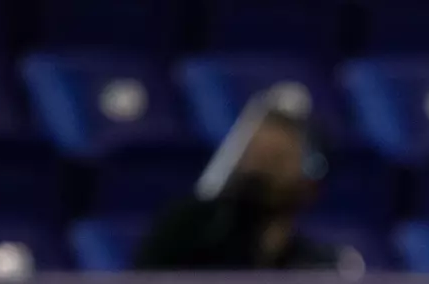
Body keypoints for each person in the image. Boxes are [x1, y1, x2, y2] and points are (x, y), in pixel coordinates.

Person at [134, 107, 347, 272]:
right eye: (254, 157)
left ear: (309, 181)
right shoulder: (188, 231)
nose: (259, 172)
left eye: (276, 160)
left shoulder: (311, 264)